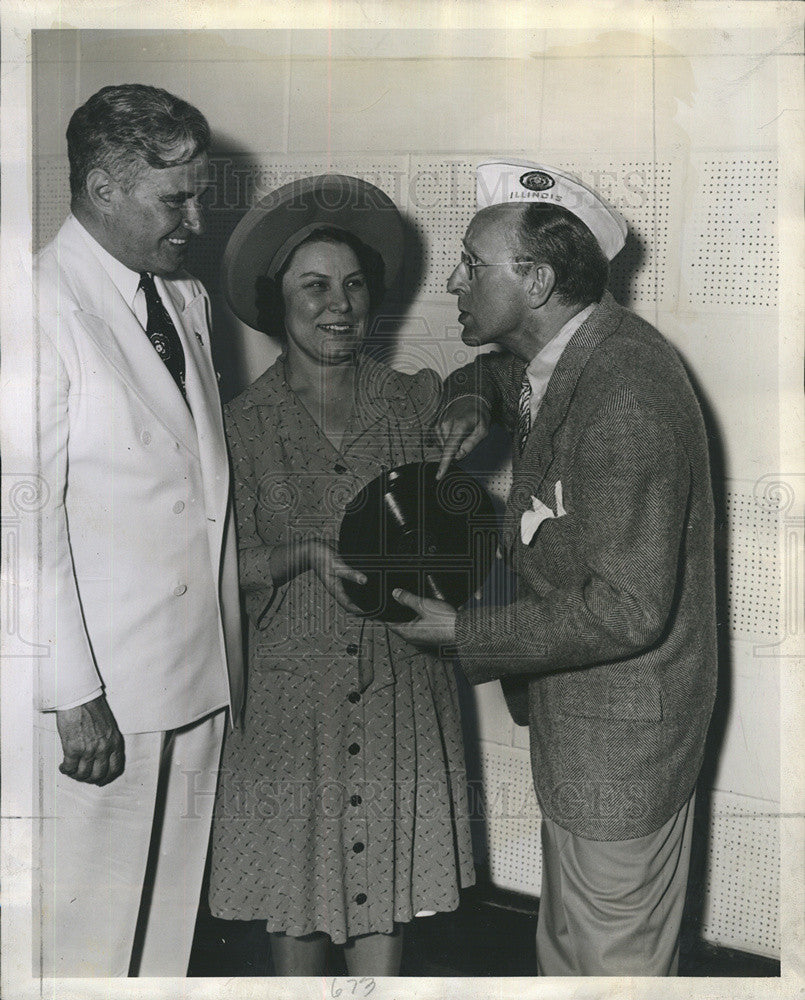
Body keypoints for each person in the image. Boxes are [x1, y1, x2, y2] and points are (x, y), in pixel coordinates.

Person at [392, 159, 718, 976]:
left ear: (534, 281)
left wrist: (462, 630)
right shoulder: (575, 351)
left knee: (611, 959)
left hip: (622, 745)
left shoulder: (626, 395)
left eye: (472, 263)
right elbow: (501, 376)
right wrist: (469, 401)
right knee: (572, 946)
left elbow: (627, 609)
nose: (453, 281)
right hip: (587, 727)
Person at [207, 174, 479, 976]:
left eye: (354, 285)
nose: (339, 304)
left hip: (400, 684)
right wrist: (298, 556)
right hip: (289, 701)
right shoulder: (235, 428)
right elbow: (218, 570)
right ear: (274, 300)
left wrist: (478, 407)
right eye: (315, 286)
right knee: (295, 896)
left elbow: (484, 402)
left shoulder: (417, 401)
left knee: (385, 899)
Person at [33, 84, 244, 977]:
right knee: (81, 937)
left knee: (165, 932)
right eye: (176, 198)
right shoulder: (33, 308)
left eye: (198, 194)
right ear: (101, 188)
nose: (195, 218)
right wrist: (74, 695)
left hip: (194, 669)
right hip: (95, 696)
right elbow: (23, 527)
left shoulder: (185, 300)